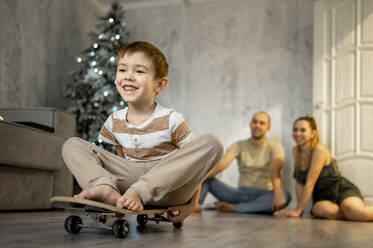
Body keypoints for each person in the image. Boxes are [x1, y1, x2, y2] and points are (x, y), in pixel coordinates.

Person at [62, 41, 223, 223]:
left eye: (139, 71)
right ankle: (105, 188)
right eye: (122, 70)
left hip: (169, 188)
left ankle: (140, 191)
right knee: (71, 144)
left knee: (213, 143)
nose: (128, 76)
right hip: (130, 181)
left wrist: (192, 204)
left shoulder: (172, 119)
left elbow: (193, 165)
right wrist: (120, 187)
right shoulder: (113, 121)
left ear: (160, 85)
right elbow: (121, 161)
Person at [275, 116, 373, 221]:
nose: (298, 133)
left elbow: (310, 183)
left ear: (313, 133)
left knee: (355, 212)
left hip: (340, 190)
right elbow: (299, 182)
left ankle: (351, 212)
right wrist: (300, 211)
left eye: (303, 130)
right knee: (319, 210)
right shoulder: (295, 151)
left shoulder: (319, 149)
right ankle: (349, 214)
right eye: (295, 129)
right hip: (323, 196)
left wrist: (297, 211)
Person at [197, 112, 291, 214]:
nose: (257, 125)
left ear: (268, 127)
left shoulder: (275, 145)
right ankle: (195, 205)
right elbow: (221, 165)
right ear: (250, 124)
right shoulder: (239, 145)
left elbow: (275, 169)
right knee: (206, 178)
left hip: (264, 194)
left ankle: (234, 208)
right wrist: (197, 179)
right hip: (238, 194)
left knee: (286, 195)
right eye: (255, 122)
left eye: (262, 123)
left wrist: (278, 193)